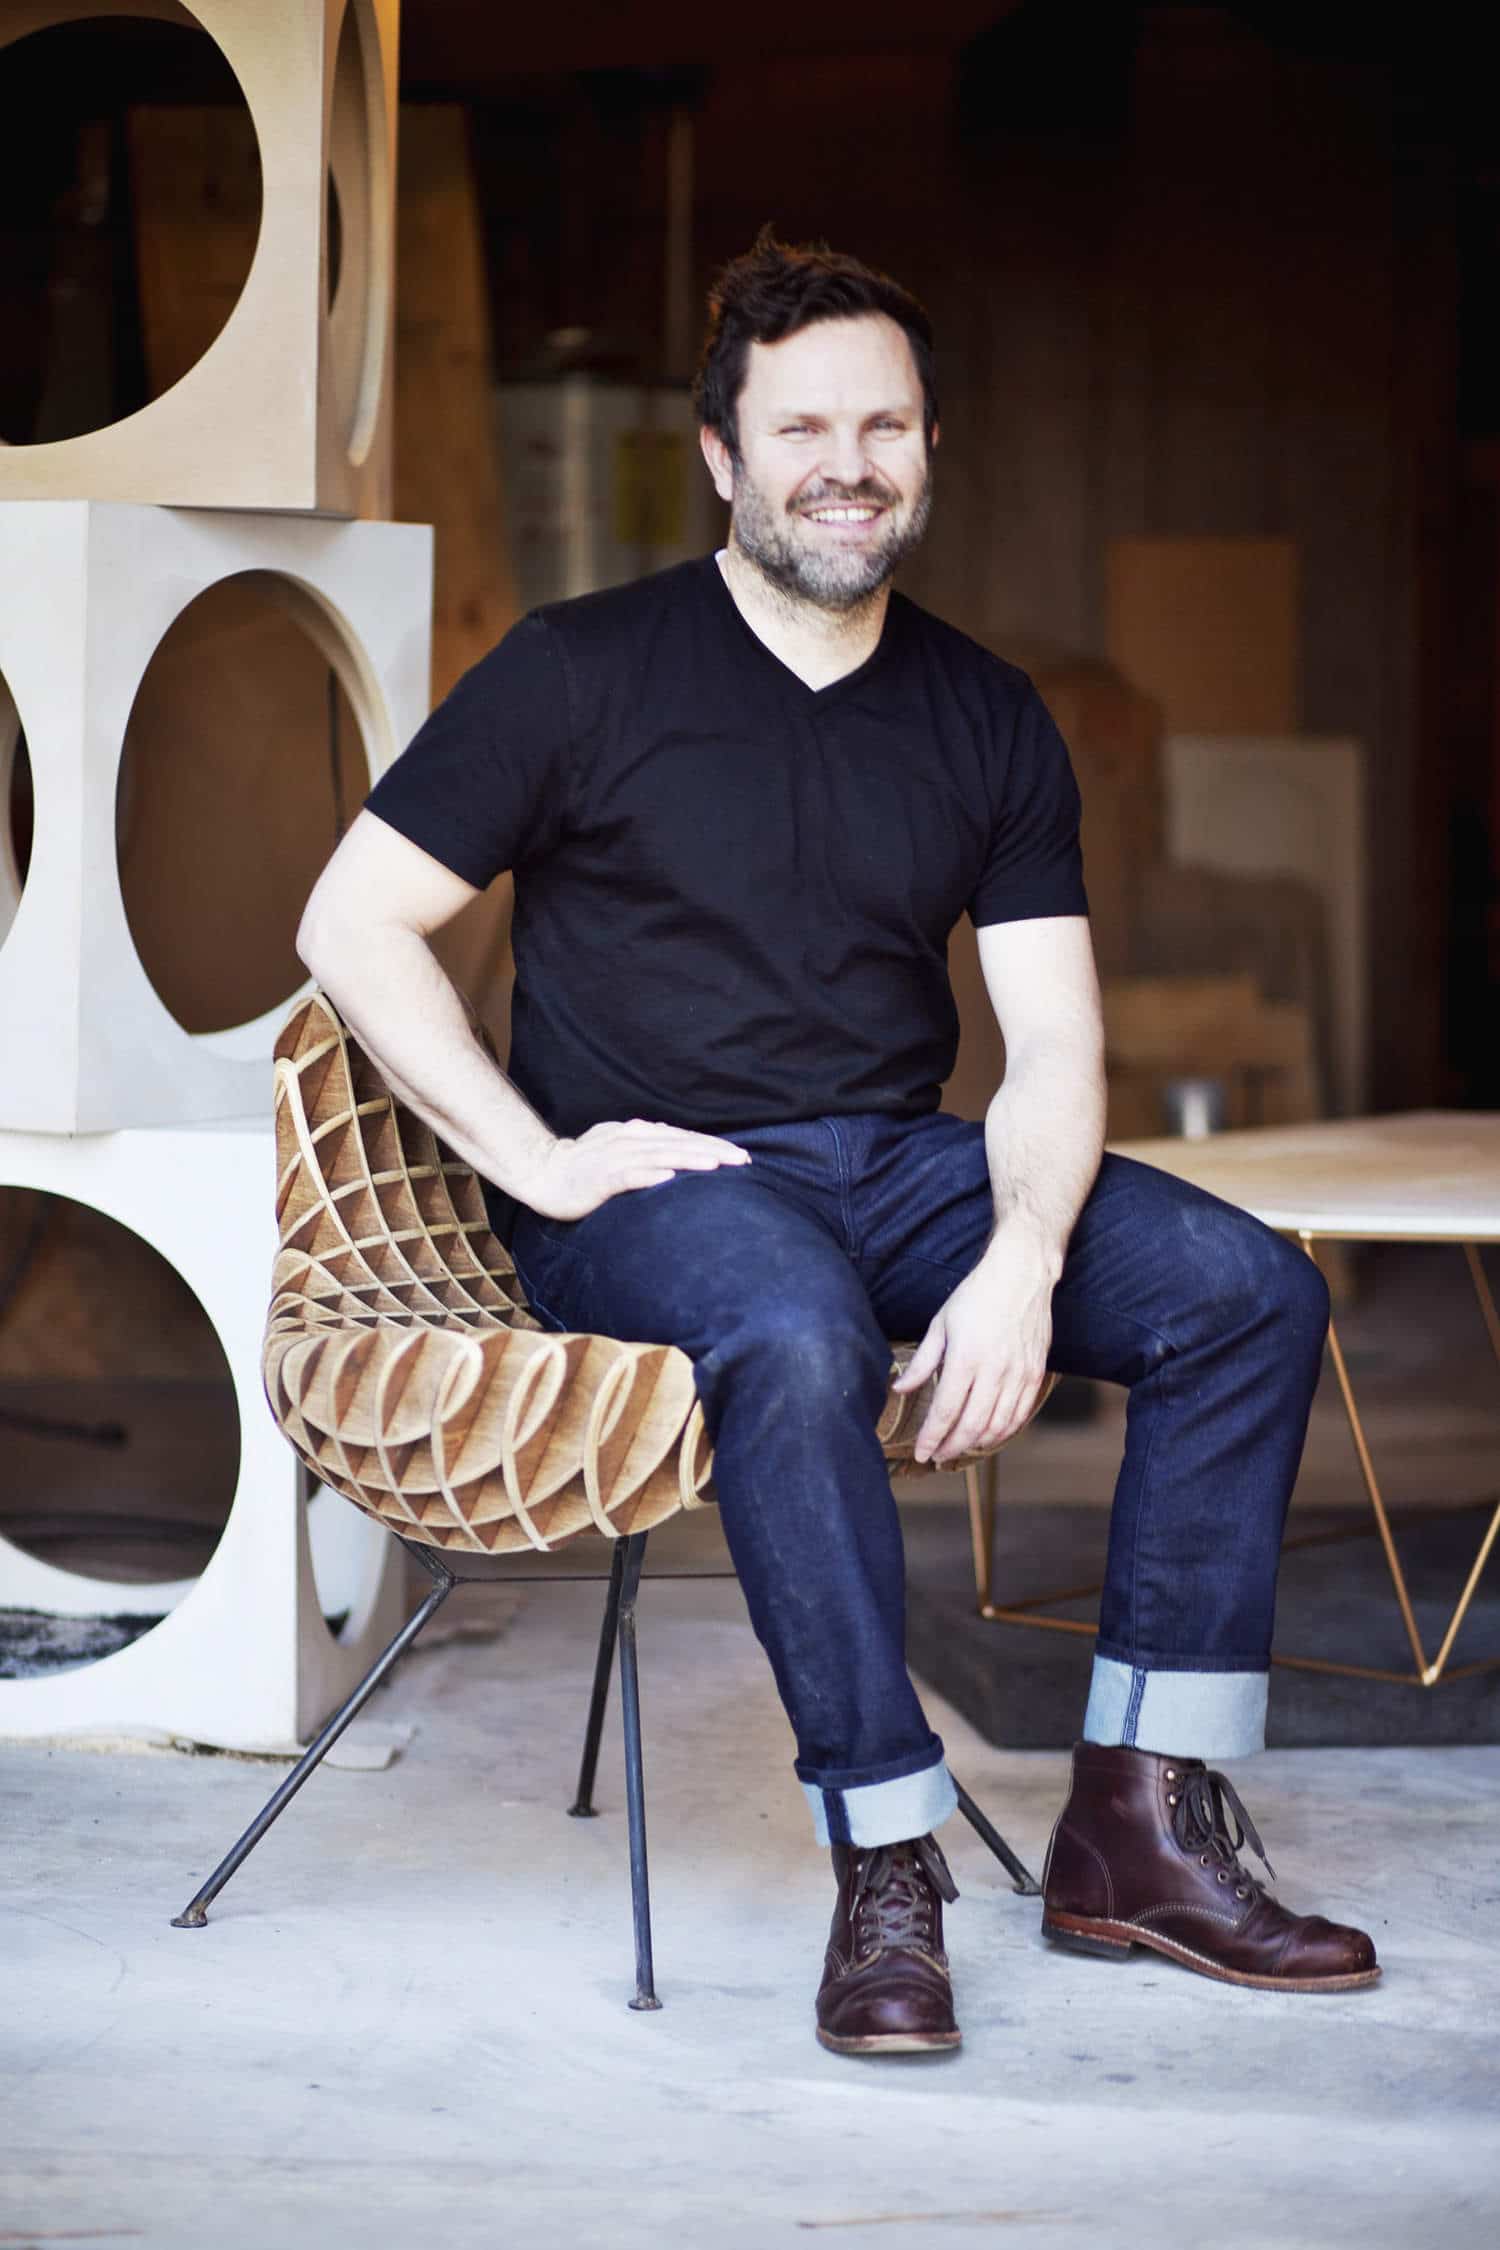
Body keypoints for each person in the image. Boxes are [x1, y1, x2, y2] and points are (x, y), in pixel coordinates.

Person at [298, 230, 1379, 2055]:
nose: (846, 464)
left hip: (901, 1163)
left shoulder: (987, 714)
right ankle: (888, 1858)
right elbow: (352, 920)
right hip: (663, 1184)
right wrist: (539, 1161)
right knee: (794, 1334)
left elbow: (1054, 1041)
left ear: (931, 448)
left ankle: (1138, 1825)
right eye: (801, 428)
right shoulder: (578, 671)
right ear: (722, 454)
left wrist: (1023, 1257)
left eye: (883, 425)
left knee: (1247, 1293)